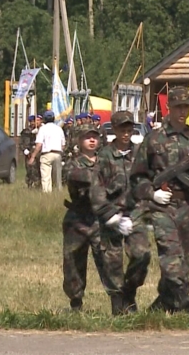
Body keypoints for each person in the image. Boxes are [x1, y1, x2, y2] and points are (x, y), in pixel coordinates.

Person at [130, 86, 189, 313]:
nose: (182, 111)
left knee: (184, 262)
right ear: (168, 107)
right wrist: (152, 194)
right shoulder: (154, 139)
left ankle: (163, 305)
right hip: (163, 207)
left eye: (186, 106)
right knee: (171, 259)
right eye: (178, 106)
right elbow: (137, 177)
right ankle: (185, 302)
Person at [91, 110, 150, 315]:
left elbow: (148, 178)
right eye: (121, 129)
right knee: (112, 262)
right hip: (112, 213)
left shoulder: (139, 153)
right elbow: (96, 188)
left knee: (142, 254)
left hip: (135, 212)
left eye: (129, 128)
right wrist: (109, 215)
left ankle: (130, 291)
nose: (126, 133)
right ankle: (119, 305)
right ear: (114, 130)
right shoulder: (105, 156)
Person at [61, 122, 107, 311]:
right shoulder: (73, 163)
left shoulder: (105, 161)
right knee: (73, 262)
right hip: (78, 218)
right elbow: (76, 176)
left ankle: (118, 301)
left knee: (107, 260)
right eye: (87, 137)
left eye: (94, 136)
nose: (91, 140)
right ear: (79, 140)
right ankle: (76, 302)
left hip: (100, 218)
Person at [28, 110, 65, 193]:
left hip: (46, 154)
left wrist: (33, 156)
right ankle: (58, 191)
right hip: (57, 154)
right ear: (54, 118)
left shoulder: (42, 129)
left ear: (44, 119)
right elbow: (63, 144)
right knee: (57, 176)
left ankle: (47, 193)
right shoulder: (59, 129)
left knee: (46, 177)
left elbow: (39, 145)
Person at [21, 115, 41, 188]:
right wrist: (25, 150)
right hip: (29, 152)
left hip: (38, 152)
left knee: (38, 169)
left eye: (34, 121)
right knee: (30, 169)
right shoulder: (26, 131)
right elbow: (22, 143)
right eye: (31, 122)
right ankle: (30, 184)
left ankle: (38, 184)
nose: (33, 123)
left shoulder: (40, 130)